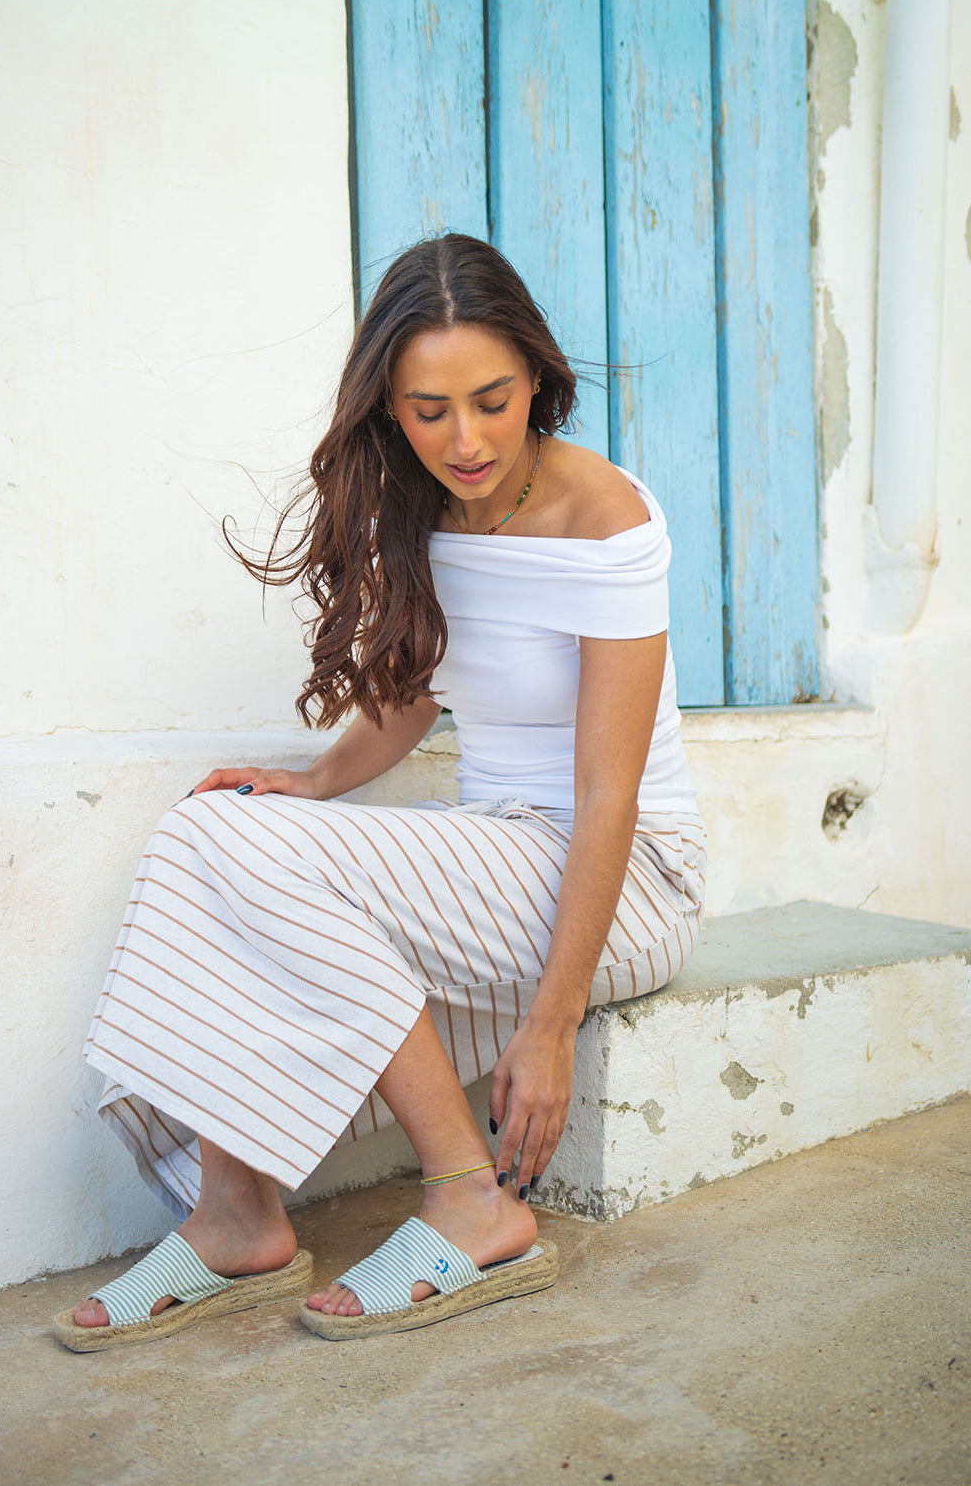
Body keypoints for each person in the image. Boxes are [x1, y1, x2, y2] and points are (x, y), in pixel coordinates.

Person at [53, 233, 706, 1349]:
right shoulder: (417, 507)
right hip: (497, 853)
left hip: (627, 874)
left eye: (493, 401)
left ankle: (470, 1194)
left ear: (537, 381)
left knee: (250, 854)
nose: (466, 439)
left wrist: (550, 1026)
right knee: (217, 828)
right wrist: (312, 781)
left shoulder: (608, 521)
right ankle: (235, 1213)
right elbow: (418, 693)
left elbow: (609, 792)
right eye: (429, 409)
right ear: (389, 408)